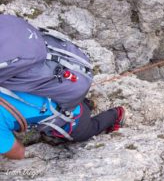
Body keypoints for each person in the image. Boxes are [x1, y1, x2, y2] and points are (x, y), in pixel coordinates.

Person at [0, 14, 125, 159]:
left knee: (83, 132)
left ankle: (116, 114)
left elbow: (19, 153)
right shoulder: (12, 71)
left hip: (68, 112)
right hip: (63, 83)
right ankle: (87, 103)